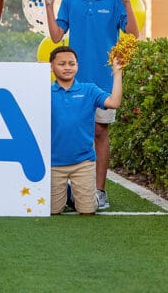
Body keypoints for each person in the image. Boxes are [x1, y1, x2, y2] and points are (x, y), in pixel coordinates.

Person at [45, 0, 139, 210]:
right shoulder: (71, 0)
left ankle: (99, 190)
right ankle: (66, 188)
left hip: (103, 78)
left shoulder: (114, 0)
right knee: (67, 129)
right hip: (72, 80)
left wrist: (128, 2)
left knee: (99, 131)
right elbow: (55, 36)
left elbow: (132, 34)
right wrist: (48, 6)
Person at [48, 47, 124, 216]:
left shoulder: (89, 90)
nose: (67, 67)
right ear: (51, 67)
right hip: (54, 163)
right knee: (54, 211)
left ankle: (90, 195)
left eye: (71, 63)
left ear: (77, 66)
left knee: (88, 210)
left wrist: (117, 73)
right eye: (61, 64)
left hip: (83, 162)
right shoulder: (44, 92)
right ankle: (69, 193)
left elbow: (114, 102)